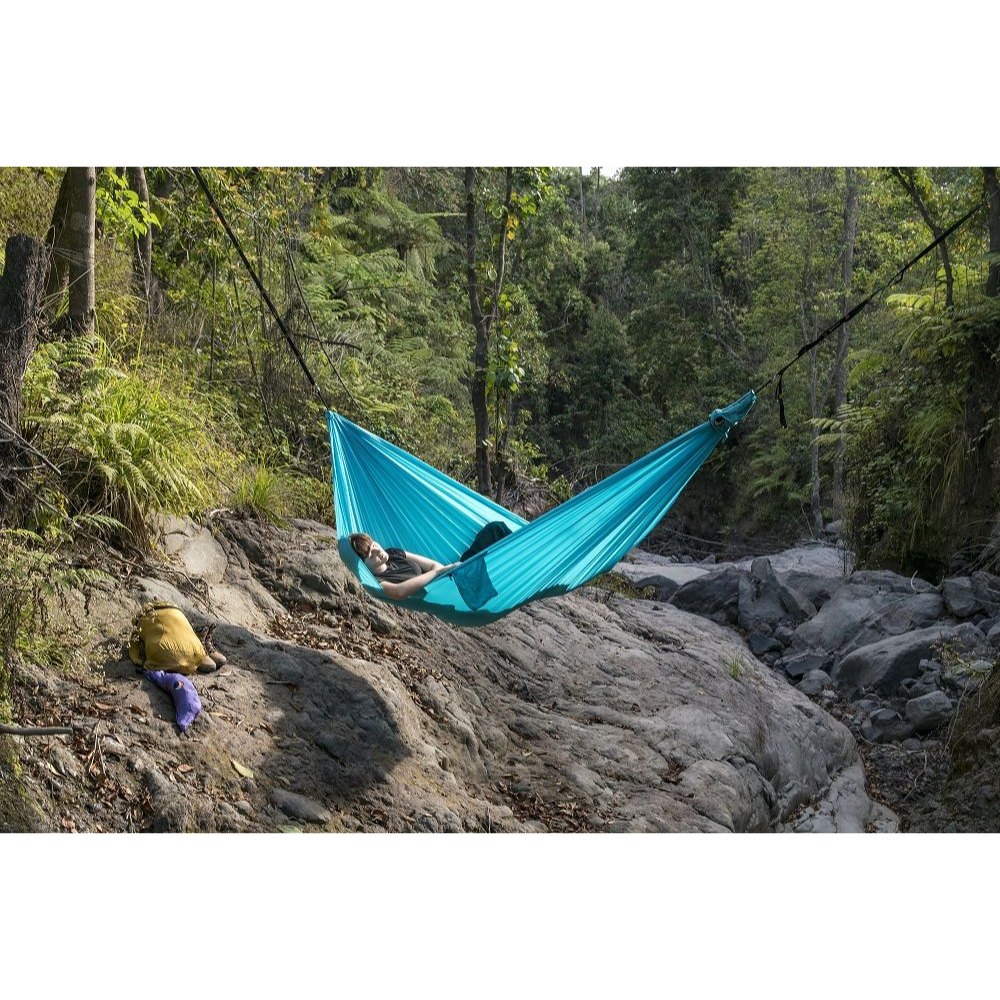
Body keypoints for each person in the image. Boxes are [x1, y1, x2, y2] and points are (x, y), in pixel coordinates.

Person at [349, 521, 513, 600]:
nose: (377, 551)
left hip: (453, 578)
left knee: (496, 530)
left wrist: (445, 571)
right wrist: (439, 572)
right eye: (370, 554)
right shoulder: (379, 581)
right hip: (454, 592)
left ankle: (527, 553)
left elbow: (433, 564)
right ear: (365, 566)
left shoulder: (393, 553)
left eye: (374, 545)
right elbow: (399, 592)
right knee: (497, 533)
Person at [128, 601, 227, 675]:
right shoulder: (175, 611)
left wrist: (139, 662)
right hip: (193, 654)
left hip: (159, 652)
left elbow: (133, 647)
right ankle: (199, 648)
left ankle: (200, 643)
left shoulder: (142, 619)